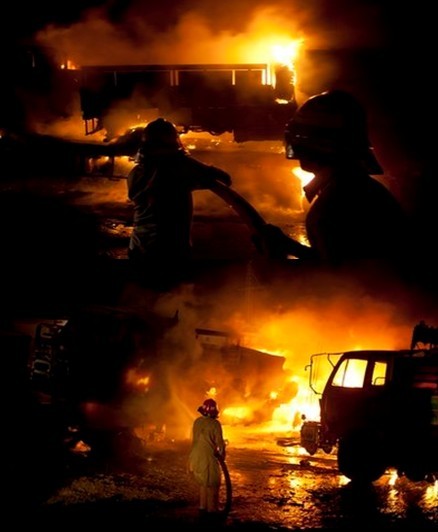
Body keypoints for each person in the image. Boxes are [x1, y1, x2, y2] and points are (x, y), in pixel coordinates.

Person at [260, 89, 410, 275]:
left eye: (301, 138)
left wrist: (277, 265)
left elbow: (338, 280)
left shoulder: (334, 204)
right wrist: (289, 246)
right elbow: (336, 262)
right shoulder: (363, 189)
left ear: (315, 144)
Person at [127, 118, 232, 290]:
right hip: (170, 251)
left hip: (139, 248)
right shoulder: (178, 166)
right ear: (173, 140)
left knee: (145, 296)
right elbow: (223, 178)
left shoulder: (136, 172)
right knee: (171, 296)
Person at [188, 398, 226, 521]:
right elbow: (220, 444)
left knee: (203, 484)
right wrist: (222, 455)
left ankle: (202, 508)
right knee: (212, 484)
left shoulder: (197, 421)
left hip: (194, 457)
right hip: (207, 458)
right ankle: (211, 511)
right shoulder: (215, 424)